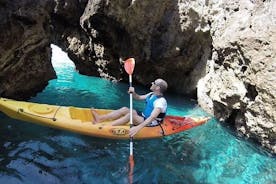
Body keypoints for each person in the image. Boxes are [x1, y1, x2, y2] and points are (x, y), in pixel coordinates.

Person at [91, 78, 168, 137]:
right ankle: (100, 118)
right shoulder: (151, 94)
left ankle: (105, 127)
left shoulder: (160, 102)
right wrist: (133, 93)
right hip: (144, 116)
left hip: (152, 122)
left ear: (157, 88)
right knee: (125, 109)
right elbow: (138, 97)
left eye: (154, 83)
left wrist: (137, 128)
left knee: (130, 116)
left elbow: (152, 117)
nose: (152, 83)